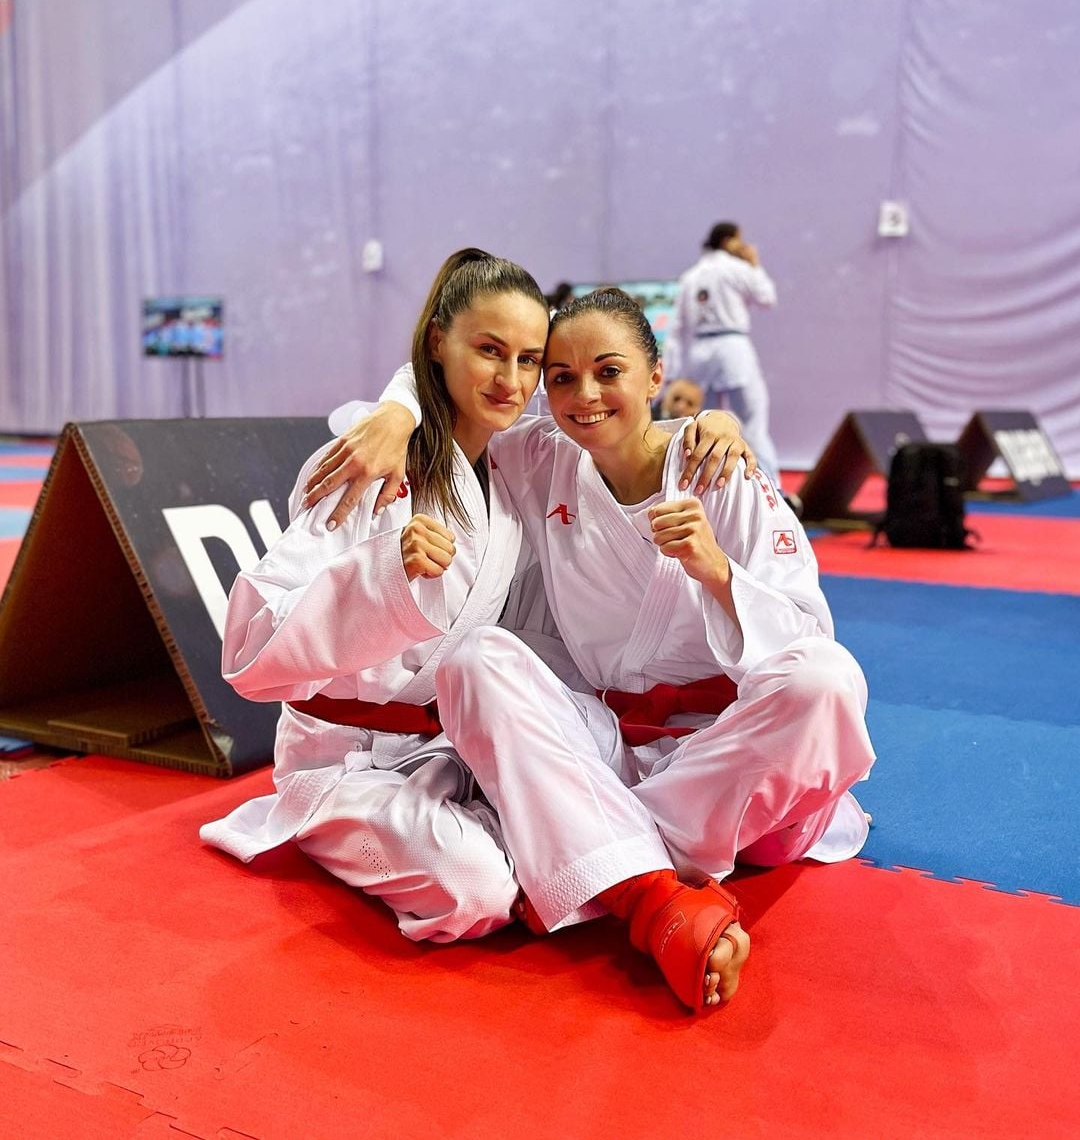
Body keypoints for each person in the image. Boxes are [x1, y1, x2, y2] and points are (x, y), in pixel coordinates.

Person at [304, 288, 875, 1013]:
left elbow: (805, 636)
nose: (586, 395)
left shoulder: (720, 468)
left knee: (828, 679)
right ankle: (641, 884)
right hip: (611, 748)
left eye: (610, 371)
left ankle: (593, 854)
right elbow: (453, 388)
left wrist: (717, 573)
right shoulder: (542, 455)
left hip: (729, 763)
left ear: (655, 374)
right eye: (562, 378)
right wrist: (397, 411)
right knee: (477, 659)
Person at [200, 252, 750, 947]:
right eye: (490, 351)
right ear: (439, 342)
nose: (511, 380)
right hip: (348, 757)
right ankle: (587, 876)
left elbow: (624, 429)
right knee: (479, 889)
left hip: (454, 745)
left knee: (634, 794)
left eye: (529, 361)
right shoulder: (370, 465)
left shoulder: (516, 471)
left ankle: (600, 874)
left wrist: (718, 425)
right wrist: (382, 576)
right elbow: (249, 652)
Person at [664, 220, 780, 481]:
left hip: (699, 353)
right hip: (732, 349)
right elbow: (767, 297)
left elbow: (677, 327)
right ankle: (773, 487)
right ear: (729, 241)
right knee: (753, 421)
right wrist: (754, 263)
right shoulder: (737, 268)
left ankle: (703, 482)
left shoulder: (690, 276)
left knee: (702, 422)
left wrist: (672, 371)